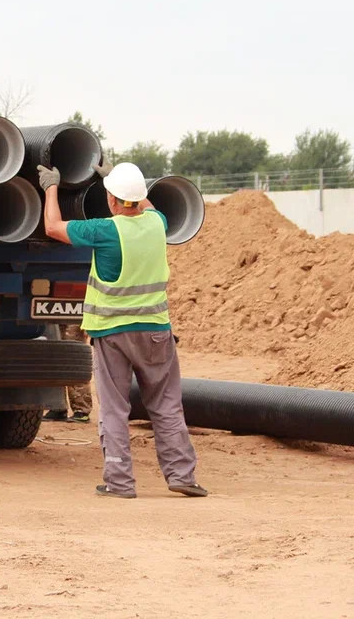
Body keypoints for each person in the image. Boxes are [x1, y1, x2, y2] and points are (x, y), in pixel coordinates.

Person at [37, 161, 207, 499]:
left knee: (115, 408)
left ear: (111, 200)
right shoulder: (158, 224)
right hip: (155, 333)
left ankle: (119, 482)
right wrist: (123, 183)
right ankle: (182, 476)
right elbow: (148, 206)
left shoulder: (105, 230)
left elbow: (53, 227)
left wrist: (51, 187)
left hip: (112, 334)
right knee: (167, 405)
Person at [43, 324, 92, 423]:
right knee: (54, 361)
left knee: (74, 360)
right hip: (53, 320)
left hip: (72, 319)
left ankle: (81, 410)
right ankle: (57, 406)